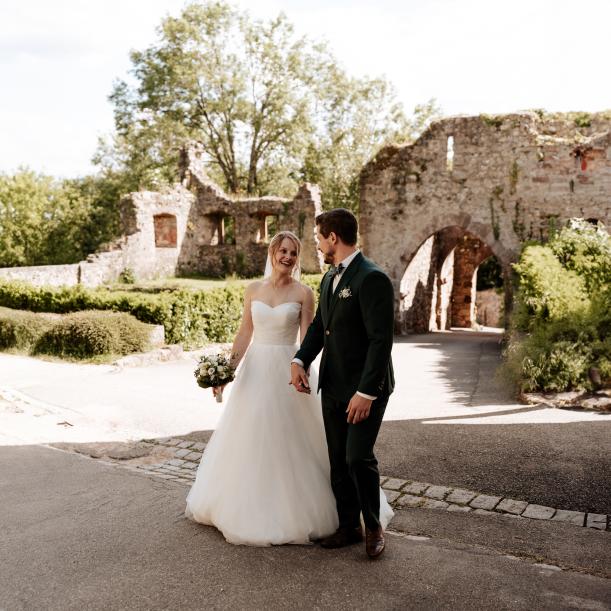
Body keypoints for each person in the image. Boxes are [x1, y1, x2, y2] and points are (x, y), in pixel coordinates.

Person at [185, 230, 393, 546]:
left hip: (288, 369)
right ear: (272, 252)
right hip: (256, 371)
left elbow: (310, 336)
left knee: (305, 444)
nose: (288, 257)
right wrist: (226, 372)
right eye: (283, 251)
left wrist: (303, 369)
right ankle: (249, 506)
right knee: (251, 437)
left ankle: (348, 518)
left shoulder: (304, 293)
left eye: (293, 253)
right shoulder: (253, 290)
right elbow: (244, 334)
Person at [291, 208, 395, 559]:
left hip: (366, 388)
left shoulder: (372, 278)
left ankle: (374, 526)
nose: (318, 245)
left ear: (332, 237)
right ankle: (348, 527)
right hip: (332, 385)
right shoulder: (328, 279)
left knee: (357, 456)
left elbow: (381, 341)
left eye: (319, 238)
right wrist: (300, 359)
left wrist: (366, 392)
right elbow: (321, 327)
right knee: (337, 459)